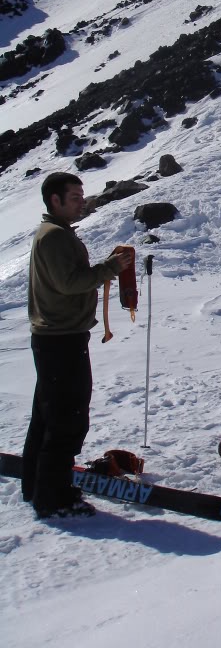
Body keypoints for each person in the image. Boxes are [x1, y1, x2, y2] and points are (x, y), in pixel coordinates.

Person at [22, 172, 132, 519]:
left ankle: (36, 485)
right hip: (61, 339)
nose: (81, 202)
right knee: (66, 419)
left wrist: (105, 269)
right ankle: (54, 498)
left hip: (55, 338)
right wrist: (110, 267)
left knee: (47, 414)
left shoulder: (54, 234)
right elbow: (70, 283)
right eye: (74, 197)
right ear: (55, 201)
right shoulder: (54, 237)